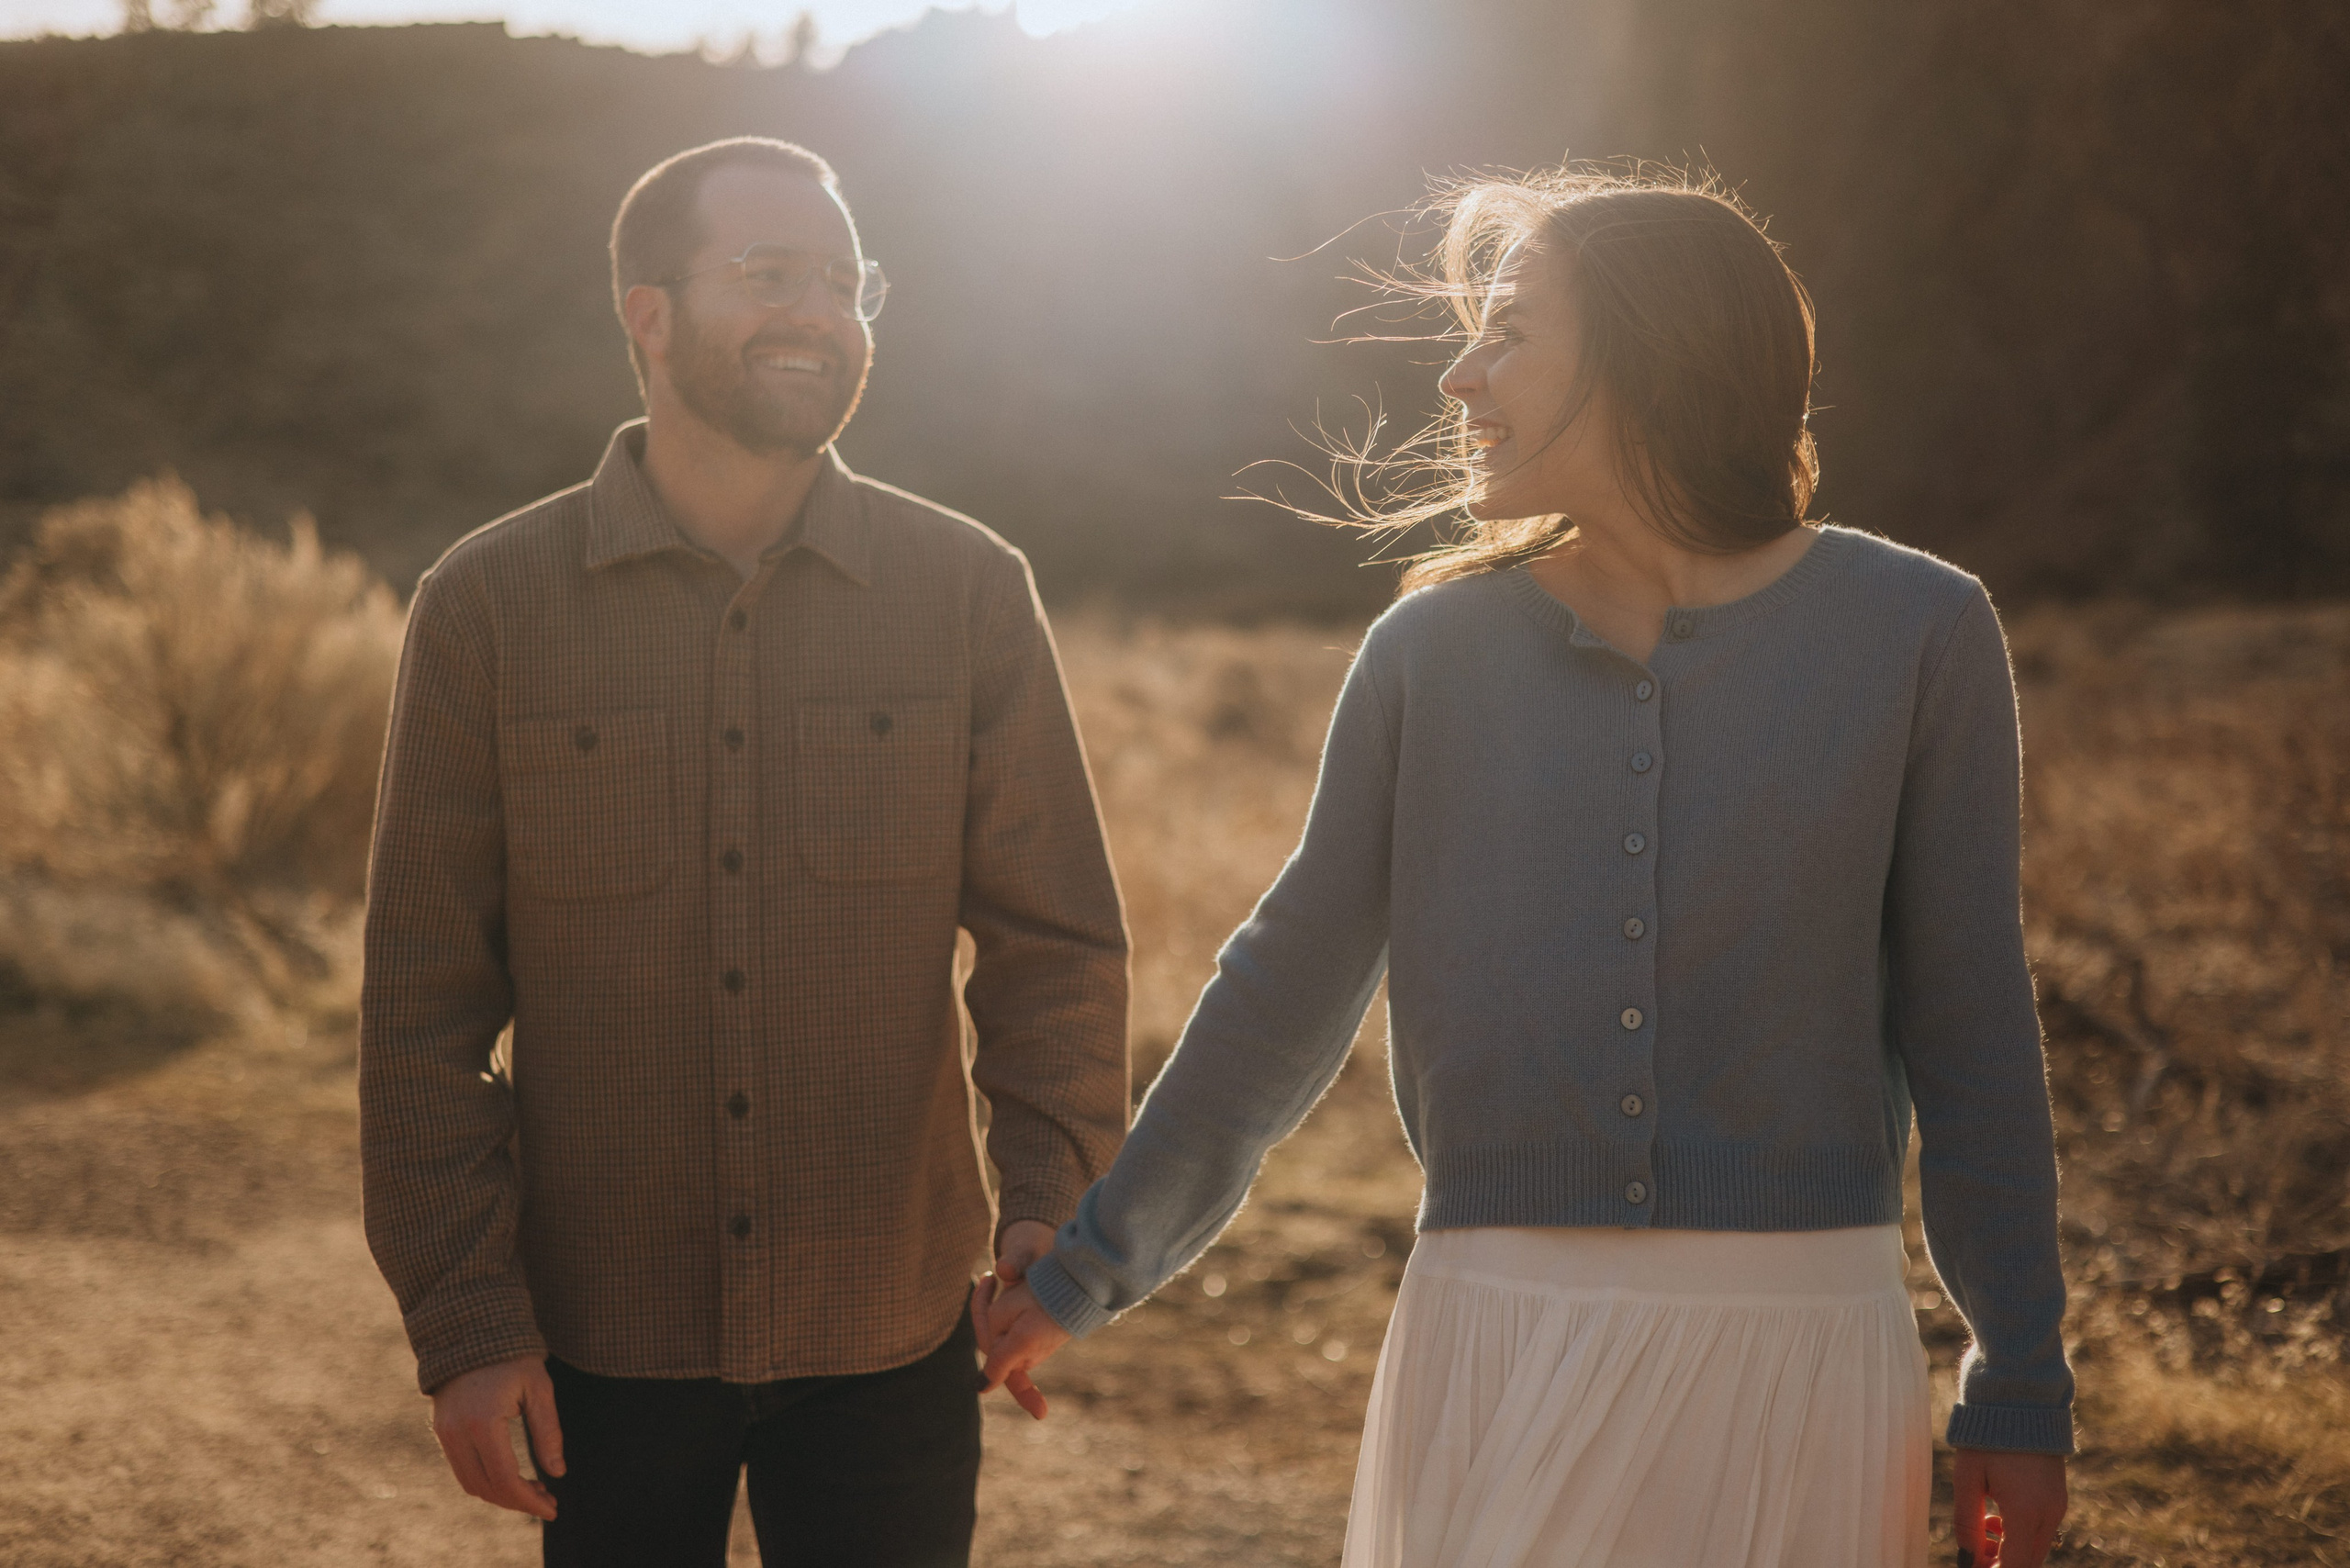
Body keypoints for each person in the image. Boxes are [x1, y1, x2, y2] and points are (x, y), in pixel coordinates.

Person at [976, 165, 2073, 1568]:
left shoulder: (1920, 633)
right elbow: (1283, 994)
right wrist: (1087, 1269)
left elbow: (1973, 1024)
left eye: (1504, 331)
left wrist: (2021, 1380)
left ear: (1648, 349)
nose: (1457, 377)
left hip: (1801, 1348)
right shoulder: (1427, 657)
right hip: (1493, 1335)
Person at [359, 136, 1128, 1568]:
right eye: (769, 272)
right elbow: (421, 1013)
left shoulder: (968, 591)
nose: (818, 311)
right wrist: (466, 1326)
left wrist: (1051, 1209)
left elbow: (1056, 943)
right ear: (645, 311)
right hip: (603, 1344)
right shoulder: (486, 607)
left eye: (846, 281)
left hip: (892, 1336)